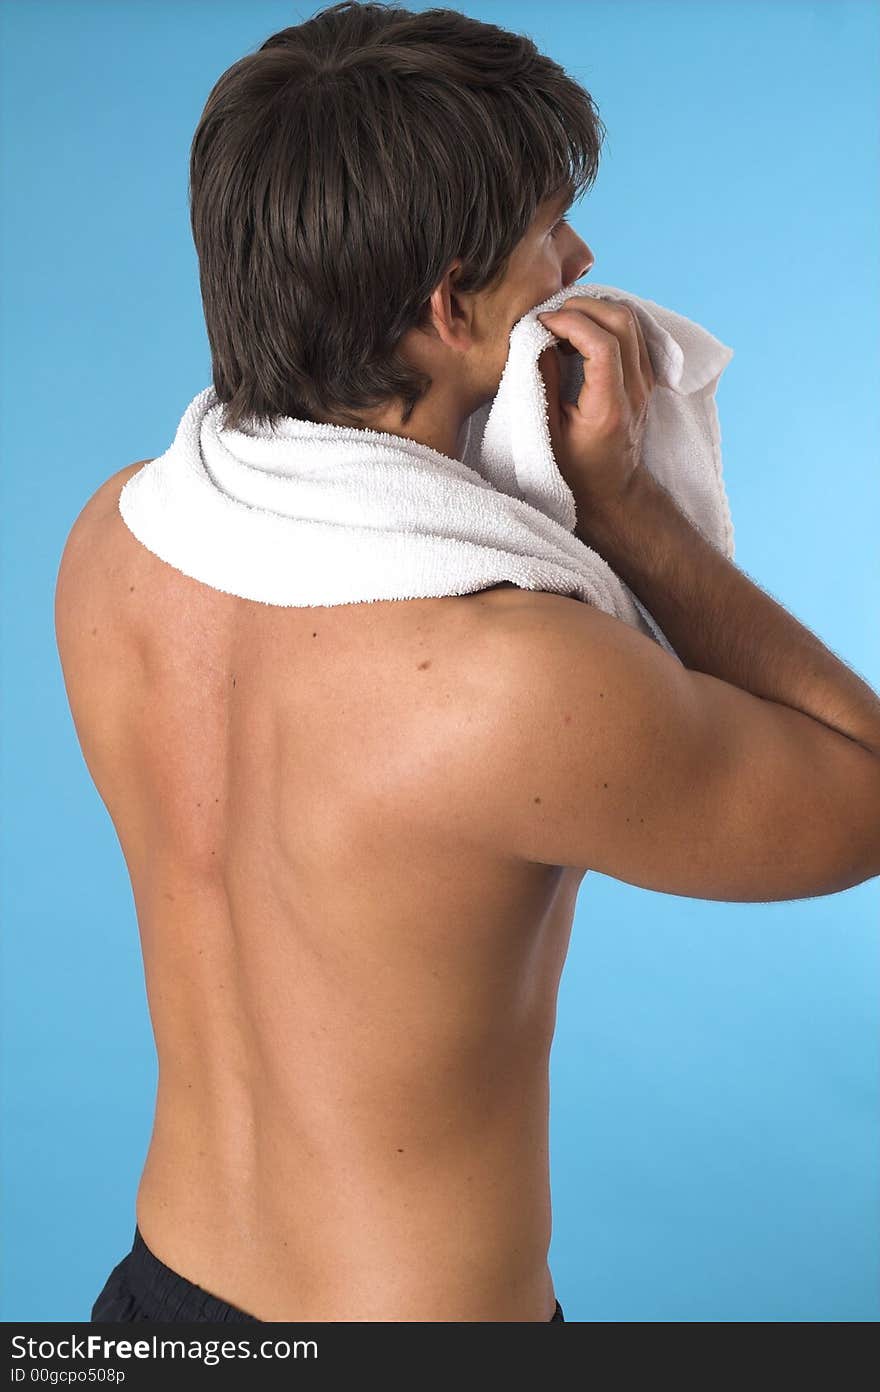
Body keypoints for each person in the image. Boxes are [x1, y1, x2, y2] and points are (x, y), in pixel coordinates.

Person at [54, 2, 880, 1323]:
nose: (581, 256)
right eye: (549, 229)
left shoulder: (111, 545)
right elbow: (865, 794)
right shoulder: (512, 675)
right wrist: (630, 517)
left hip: (155, 1304)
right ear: (452, 308)